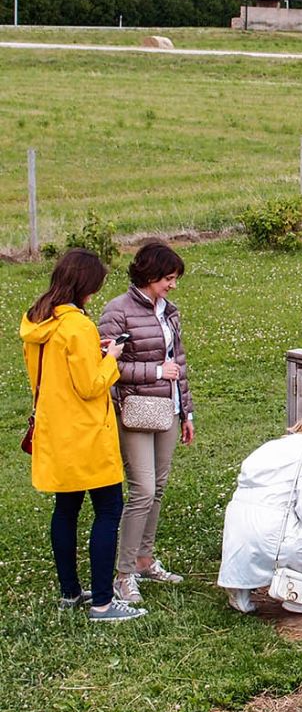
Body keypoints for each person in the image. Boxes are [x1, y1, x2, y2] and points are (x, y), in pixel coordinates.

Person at [20, 248, 145, 623]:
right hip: (87, 434)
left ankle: (70, 591)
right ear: (85, 285)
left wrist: (96, 352)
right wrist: (112, 358)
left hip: (56, 432)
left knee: (66, 510)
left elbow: (60, 370)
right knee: (108, 511)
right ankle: (103, 603)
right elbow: (91, 385)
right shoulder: (78, 326)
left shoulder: (38, 320)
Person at [98, 240, 195, 605]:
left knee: (159, 488)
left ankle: (144, 559)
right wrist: (154, 370)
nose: (173, 285)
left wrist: (186, 412)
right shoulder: (117, 312)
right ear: (150, 275)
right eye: (168, 278)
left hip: (167, 409)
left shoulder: (169, 310)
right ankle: (123, 574)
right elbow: (107, 365)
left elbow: (179, 363)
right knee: (142, 490)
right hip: (135, 411)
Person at [217, 400, 302, 616]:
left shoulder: (273, 445)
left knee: (263, 520)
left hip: (240, 529)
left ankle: (240, 590)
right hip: (275, 535)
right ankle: (300, 594)